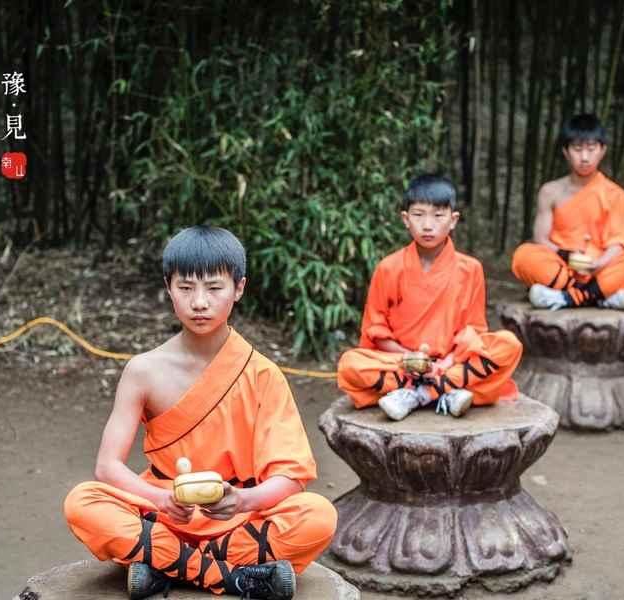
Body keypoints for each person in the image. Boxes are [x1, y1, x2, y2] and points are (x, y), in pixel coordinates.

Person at [63, 226, 336, 600]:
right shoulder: (143, 371)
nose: (200, 302)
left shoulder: (262, 373)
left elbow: (290, 476)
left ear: (239, 288)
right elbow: (108, 467)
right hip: (165, 512)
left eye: (214, 287)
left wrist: (243, 501)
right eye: (186, 288)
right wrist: (160, 500)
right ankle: (232, 578)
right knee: (83, 502)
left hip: (236, 515)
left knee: (317, 515)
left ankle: (165, 566)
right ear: (168, 288)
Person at [337, 175, 523, 421]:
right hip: (402, 362)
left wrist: (447, 362)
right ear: (405, 219)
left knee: (508, 345)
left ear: (453, 220)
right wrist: (410, 359)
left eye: (438, 216)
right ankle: (444, 391)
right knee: (350, 364)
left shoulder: (470, 269)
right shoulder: (388, 268)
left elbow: (475, 330)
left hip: (451, 363)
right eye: (418, 215)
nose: (427, 225)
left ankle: (419, 394)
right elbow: (375, 329)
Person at [512, 114, 624, 310]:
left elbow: (619, 243)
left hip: (602, 268)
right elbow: (541, 239)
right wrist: (565, 254)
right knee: (523, 256)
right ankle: (598, 295)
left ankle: (567, 297)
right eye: (577, 149)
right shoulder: (550, 191)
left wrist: (600, 263)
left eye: (591, 149)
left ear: (602, 150)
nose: (585, 157)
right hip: (563, 266)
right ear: (566, 151)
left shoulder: (615, 194)